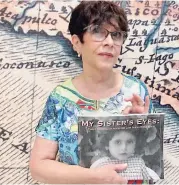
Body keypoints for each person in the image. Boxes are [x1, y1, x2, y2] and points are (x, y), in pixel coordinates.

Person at [29, 1, 153, 184]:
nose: (110, 42)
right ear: (77, 42)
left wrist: (141, 127)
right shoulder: (61, 98)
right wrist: (93, 177)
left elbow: (149, 164)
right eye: (97, 31)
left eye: (116, 35)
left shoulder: (137, 91)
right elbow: (39, 167)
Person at [90, 129, 160, 182]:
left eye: (129, 142)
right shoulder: (100, 164)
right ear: (107, 145)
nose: (124, 148)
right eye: (118, 142)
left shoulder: (138, 161)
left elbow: (147, 181)